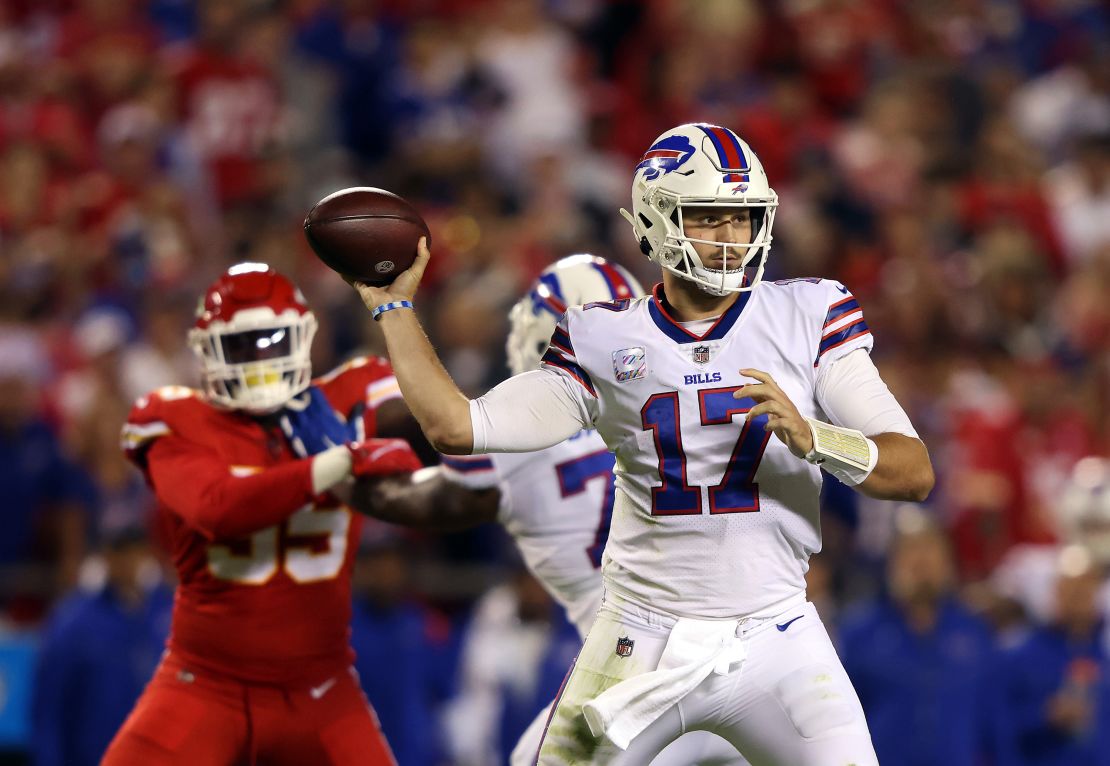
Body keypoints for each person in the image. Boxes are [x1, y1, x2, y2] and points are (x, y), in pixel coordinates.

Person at [352, 122, 935, 764]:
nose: (730, 238)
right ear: (657, 221)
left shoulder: (807, 314)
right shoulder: (603, 339)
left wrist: (815, 436)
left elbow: (913, 472)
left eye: (742, 218)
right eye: (708, 217)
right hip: (639, 636)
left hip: (777, 634)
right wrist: (394, 309)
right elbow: (457, 427)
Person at [103, 263, 423, 765]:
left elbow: (449, 415)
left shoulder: (352, 393)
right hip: (205, 684)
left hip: (321, 688)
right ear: (208, 351)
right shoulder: (173, 418)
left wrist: (394, 310)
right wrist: (340, 461)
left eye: (272, 342)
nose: (259, 362)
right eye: (243, 347)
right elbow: (218, 508)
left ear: (303, 337)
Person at [838, 509, 994, 766]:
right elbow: (841, 723)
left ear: (948, 561)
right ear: (891, 562)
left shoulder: (975, 632)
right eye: (910, 550)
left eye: (930, 549)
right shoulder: (859, 633)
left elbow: (993, 723)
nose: (921, 561)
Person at [31, 525, 173, 766]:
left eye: (138, 553)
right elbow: (49, 708)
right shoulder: (74, 622)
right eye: (123, 554)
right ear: (107, 557)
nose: (131, 563)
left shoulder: (165, 614)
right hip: (92, 756)